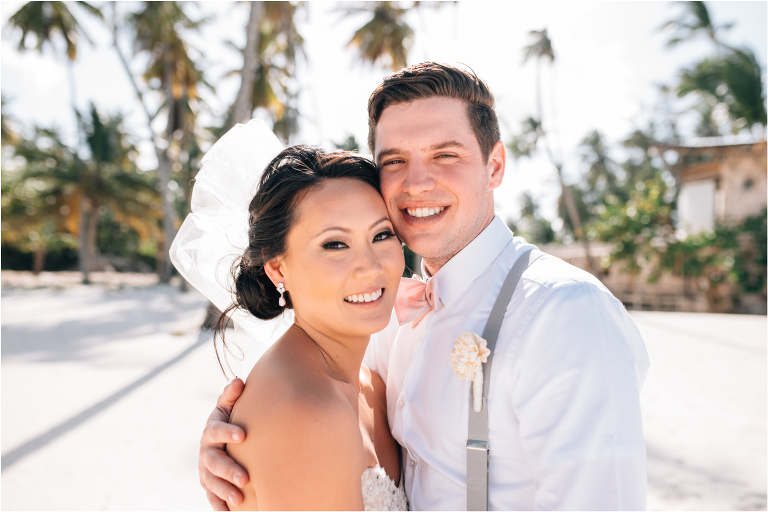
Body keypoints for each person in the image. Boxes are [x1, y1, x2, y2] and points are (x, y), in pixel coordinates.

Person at [198, 62, 650, 510]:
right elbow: (308, 418)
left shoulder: (564, 313)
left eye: (445, 155)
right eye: (395, 161)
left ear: (494, 166)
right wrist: (244, 442)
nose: (416, 184)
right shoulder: (382, 322)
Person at [172, 126, 409, 510]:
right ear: (278, 268)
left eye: (381, 235)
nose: (370, 267)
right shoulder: (307, 412)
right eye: (335, 244)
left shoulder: (373, 385)